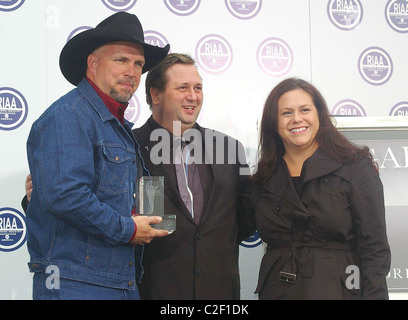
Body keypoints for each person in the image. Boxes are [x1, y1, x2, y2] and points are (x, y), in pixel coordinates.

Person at [24, 12, 170, 300]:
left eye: (138, 63)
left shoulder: (118, 127)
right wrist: (128, 229)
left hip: (117, 280)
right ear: (93, 63)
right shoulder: (68, 115)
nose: (132, 71)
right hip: (75, 283)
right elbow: (66, 194)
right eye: (121, 60)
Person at [247, 77, 391, 299]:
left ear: (319, 115)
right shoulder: (262, 179)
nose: (297, 119)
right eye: (286, 113)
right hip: (278, 292)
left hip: (338, 292)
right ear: (273, 123)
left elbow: (375, 249)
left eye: (305, 110)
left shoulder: (355, 167)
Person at [132, 53, 256, 299]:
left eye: (198, 87)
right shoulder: (128, 147)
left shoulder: (229, 149)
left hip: (218, 293)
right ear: (155, 95)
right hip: (153, 292)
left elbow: (244, 219)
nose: (193, 96)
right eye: (182, 88)